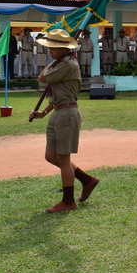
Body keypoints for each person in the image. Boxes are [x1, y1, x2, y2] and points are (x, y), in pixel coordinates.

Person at [29, 29, 99, 213]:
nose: (50, 51)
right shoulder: (62, 62)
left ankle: (68, 201)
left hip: (67, 113)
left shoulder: (68, 63)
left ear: (63, 48)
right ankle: (87, 180)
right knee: (51, 156)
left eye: (53, 48)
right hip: (59, 111)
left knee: (63, 158)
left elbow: (42, 77)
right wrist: (44, 112)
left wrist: (55, 61)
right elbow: (58, 94)